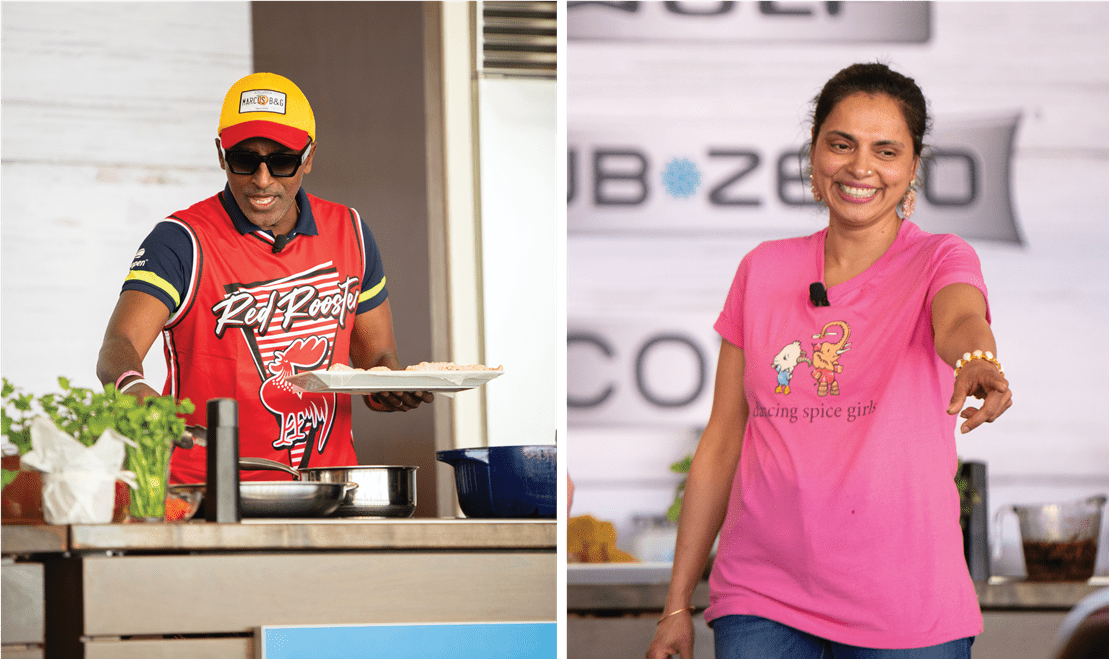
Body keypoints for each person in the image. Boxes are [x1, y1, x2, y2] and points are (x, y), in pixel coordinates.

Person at [646, 63, 1013, 659]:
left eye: (885, 150)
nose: (860, 166)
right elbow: (721, 440)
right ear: (814, 155)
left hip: (906, 606)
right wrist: (676, 606)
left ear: (913, 167)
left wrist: (976, 359)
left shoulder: (940, 257)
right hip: (761, 599)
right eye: (841, 144)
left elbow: (961, 318)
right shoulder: (762, 269)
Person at [96, 72, 432, 484]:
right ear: (221, 155)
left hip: (327, 490)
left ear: (308, 157)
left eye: (282, 161)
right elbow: (119, 344)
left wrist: (391, 388)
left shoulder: (352, 232)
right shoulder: (181, 240)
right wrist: (131, 388)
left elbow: (376, 360)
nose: (262, 179)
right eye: (243, 159)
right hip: (207, 493)